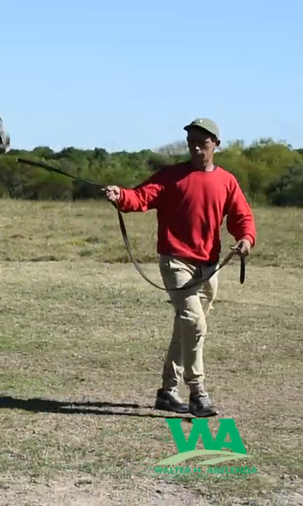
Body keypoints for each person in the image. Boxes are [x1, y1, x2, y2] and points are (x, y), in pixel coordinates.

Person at [102, 118, 256, 417]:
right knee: (195, 325)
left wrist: (246, 239)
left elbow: (242, 217)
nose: (197, 148)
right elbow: (140, 197)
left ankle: (167, 392)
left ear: (216, 144)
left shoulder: (227, 181)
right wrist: (120, 195)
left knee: (185, 329)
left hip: (209, 265)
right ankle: (198, 393)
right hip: (175, 261)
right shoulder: (171, 176)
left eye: (203, 142)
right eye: (191, 142)